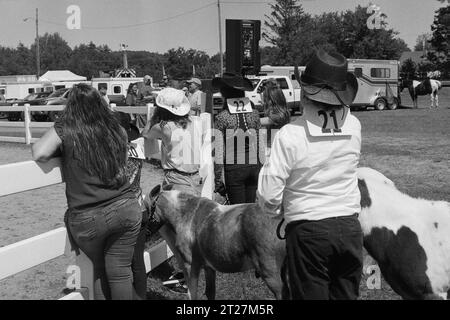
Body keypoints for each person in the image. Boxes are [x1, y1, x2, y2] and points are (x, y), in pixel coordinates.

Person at [257, 49, 363, 300]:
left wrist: (276, 212)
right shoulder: (355, 126)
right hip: (350, 227)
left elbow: (270, 194)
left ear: (305, 93)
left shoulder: (290, 135)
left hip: (309, 231)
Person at [31, 84, 142, 300]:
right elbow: (124, 161)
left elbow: (40, 152)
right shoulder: (116, 128)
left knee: (99, 271)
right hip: (125, 207)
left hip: (89, 216)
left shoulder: (68, 128)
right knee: (120, 274)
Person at [142, 87, 202, 292]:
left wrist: (154, 112)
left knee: (177, 232)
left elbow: (145, 132)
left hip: (176, 179)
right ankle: (189, 272)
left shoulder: (165, 127)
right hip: (194, 178)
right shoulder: (194, 123)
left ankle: (187, 277)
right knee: (188, 229)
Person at [212, 72, 262, 204]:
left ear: (224, 94)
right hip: (253, 166)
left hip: (234, 168)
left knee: (238, 213)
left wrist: (217, 180)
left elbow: (219, 152)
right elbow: (260, 144)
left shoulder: (222, 117)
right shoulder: (255, 114)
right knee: (250, 211)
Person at [114, 111, 148, 300]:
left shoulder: (118, 150)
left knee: (120, 264)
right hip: (139, 205)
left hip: (124, 209)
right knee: (138, 262)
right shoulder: (137, 146)